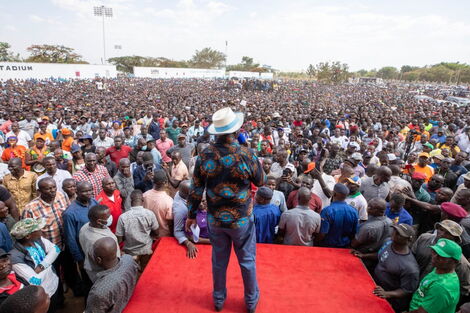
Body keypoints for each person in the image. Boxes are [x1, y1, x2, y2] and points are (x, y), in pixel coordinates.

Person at [186, 107, 265, 313]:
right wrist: (248, 150)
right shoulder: (246, 154)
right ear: (236, 131)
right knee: (247, 261)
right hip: (241, 221)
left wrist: (191, 215)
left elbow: (195, 189)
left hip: (215, 220)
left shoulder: (205, 155)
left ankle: (219, 300)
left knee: (219, 261)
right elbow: (261, 180)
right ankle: (250, 302)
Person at [353, 224, 420, 312]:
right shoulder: (388, 242)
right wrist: (364, 255)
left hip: (388, 300)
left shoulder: (410, 267)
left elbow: (407, 290)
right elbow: (381, 254)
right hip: (373, 286)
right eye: (395, 230)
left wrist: (387, 294)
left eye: (399, 234)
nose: (394, 233)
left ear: (408, 240)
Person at [9, 218, 60, 309]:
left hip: (53, 283)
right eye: (37, 229)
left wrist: (42, 266)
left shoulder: (37, 240)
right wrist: (49, 262)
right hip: (41, 294)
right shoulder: (15, 257)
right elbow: (34, 280)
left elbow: (56, 250)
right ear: (28, 236)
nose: (41, 230)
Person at [412, 220, 470, 298]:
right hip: (412, 288)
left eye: (448, 233)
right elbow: (411, 259)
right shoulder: (423, 238)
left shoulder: (460, 262)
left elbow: (464, 289)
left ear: (455, 238)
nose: (442, 234)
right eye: (441, 230)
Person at [84, 237, 138, 313]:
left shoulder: (98, 291)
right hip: (128, 300)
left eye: (93, 254)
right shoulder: (129, 259)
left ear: (99, 260)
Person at [407, 238, 461, 313]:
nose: (435, 257)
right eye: (434, 252)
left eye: (441, 256)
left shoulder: (441, 287)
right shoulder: (439, 268)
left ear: (454, 261)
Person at [116, 189, 158, 269]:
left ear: (131, 200)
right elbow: (156, 232)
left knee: (131, 270)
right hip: (146, 249)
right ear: (143, 200)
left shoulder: (123, 217)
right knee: (144, 269)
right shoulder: (150, 214)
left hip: (130, 251)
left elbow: (119, 239)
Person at [79, 205, 120, 283]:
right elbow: (108, 265)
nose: (111, 217)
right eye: (108, 216)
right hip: (104, 274)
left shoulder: (85, 227)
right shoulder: (100, 242)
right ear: (99, 221)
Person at [62, 182, 99, 270]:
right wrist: (79, 259)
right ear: (77, 192)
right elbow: (70, 238)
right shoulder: (70, 213)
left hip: (97, 246)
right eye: (85, 191)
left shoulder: (93, 202)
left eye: (90, 190)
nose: (89, 193)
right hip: (83, 251)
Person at [317, 183, 359, 248]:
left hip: (328, 247)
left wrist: (316, 242)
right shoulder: (353, 211)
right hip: (345, 247)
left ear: (334, 194)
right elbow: (354, 232)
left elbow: (322, 233)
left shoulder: (327, 211)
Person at [143, 169, 173, 238]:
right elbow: (170, 223)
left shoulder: (144, 195)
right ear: (165, 182)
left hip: (148, 234)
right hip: (163, 236)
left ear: (153, 181)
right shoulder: (169, 201)